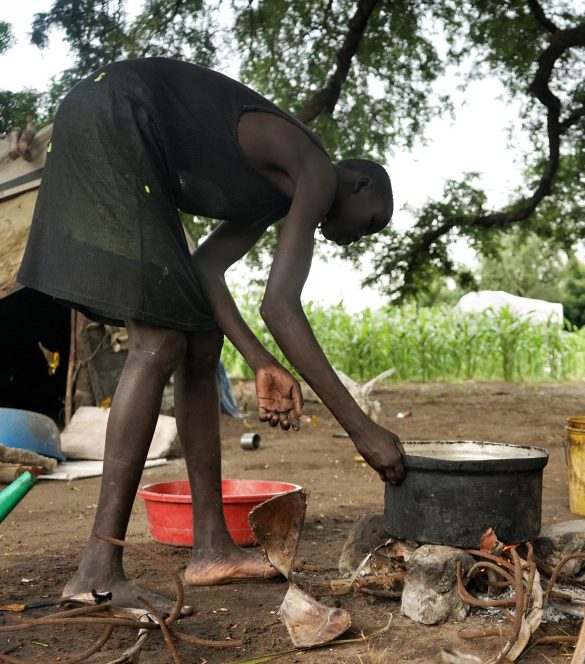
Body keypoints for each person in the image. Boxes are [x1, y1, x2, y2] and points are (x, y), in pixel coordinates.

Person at [16, 57, 405, 613]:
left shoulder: (276, 193)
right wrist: (363, 430)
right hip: (115, 116)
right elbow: (280, 305)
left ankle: (211, 548)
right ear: (360, 183)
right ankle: (97, 570)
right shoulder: (315, 167)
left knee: (199, 339)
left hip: (118, 124)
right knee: (159, 340)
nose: (354, 239)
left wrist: (258, 361)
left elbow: (206, 271)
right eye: (370, 221)